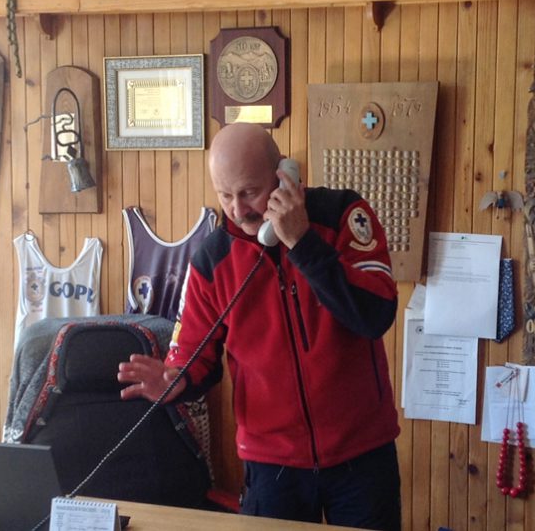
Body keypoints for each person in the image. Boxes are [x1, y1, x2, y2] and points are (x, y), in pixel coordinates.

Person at [118, 123, 402, 529]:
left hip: (362, 454)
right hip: (272, 465)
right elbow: (194, 357)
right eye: (225, 195)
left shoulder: (341, 214)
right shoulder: (211, 260)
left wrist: (302, 243)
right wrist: (177, 380)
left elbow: (375, 314)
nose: (238, 210)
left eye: (249, 192)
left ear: (284, 174)